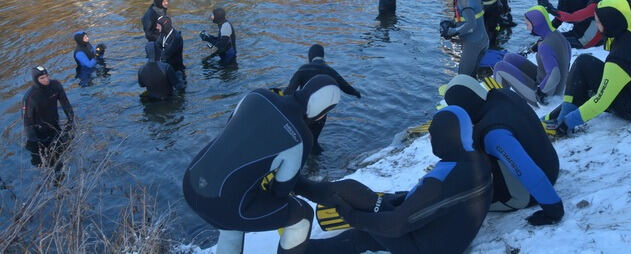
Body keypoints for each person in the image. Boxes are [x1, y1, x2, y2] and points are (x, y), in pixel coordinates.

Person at [296, 106, 492, 254]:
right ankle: (306, 248)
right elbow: (441, 202)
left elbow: (396, 226)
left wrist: (352, 217)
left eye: (433, 134)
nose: (431, 139)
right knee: (366, 231)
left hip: (424, 246)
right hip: (444, 237)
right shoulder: (477, 161)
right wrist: (397, 201)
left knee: (351, 194)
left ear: (446, 136)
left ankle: (297, 186)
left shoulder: (443, 179)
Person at [183, 76, 341, 254]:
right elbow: (280, 192)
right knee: (302, 215)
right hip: (222, 206)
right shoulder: (302, 137)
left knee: (234, 210)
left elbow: (232, 129)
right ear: (322, 112)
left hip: (191, 182)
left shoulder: (257, 95)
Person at [542, 0, 631, 136]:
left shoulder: (620, 57)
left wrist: (567, 124)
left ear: (610, 23)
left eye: (598, 22)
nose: (596, 26)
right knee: (583, 63)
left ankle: (560, 122)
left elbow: (601, 101)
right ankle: (557, 115)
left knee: (586, 83)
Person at [443, 75, 562, 218]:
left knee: (460, 202)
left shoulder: (493, 133)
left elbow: (525, 169)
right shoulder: (505, 95)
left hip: (528, 193)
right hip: (551, 164)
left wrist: (553, 208)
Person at [284, 44, 361, 154]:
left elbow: (289, 91)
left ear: (310, 56)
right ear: (323, 56)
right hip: (321, 113)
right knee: (314, 141)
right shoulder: (330, 71)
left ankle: (304, 162)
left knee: (301, 140)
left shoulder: (302, 70)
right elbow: (345, 87)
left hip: (303, 112)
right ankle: (316, 163)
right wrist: (356, 93)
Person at [22, 66, 74, 168]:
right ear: (36, 80)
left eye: (47, 76)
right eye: (42, 78)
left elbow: (66, 104)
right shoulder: (31, 97)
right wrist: (36, 143)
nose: (46, 80)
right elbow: (27, 123)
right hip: (40, 134)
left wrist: (71, 122)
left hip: (55, 126)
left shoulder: (55, 86)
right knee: (44, 163)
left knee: (62, 155)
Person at [440, 0, 490, 77]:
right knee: (472, 74)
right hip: (482, 40)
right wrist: (453, 23)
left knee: (463, 76)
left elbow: (471, 24)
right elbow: (472, 16)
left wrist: (451, 32)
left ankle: (464, 90)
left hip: (473, 44)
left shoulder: (463, 0)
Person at [547, 0, 613, 49]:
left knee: (549, 41)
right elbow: (582, 1)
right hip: (580, 34)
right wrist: (565, 1)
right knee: (570, 0)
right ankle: (551, 27)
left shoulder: (597, 6)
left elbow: (572, 18)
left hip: (585, 41)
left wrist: (552, 10)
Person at [521, 6, 570, 100]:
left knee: (500, 67)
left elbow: (554, 75)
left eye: (527, 24)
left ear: (536, 24)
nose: (526, 28)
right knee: (509, 58)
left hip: (545, 94)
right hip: (554, 86)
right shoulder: (559, 36)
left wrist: (540, 92)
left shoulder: (545, 46)